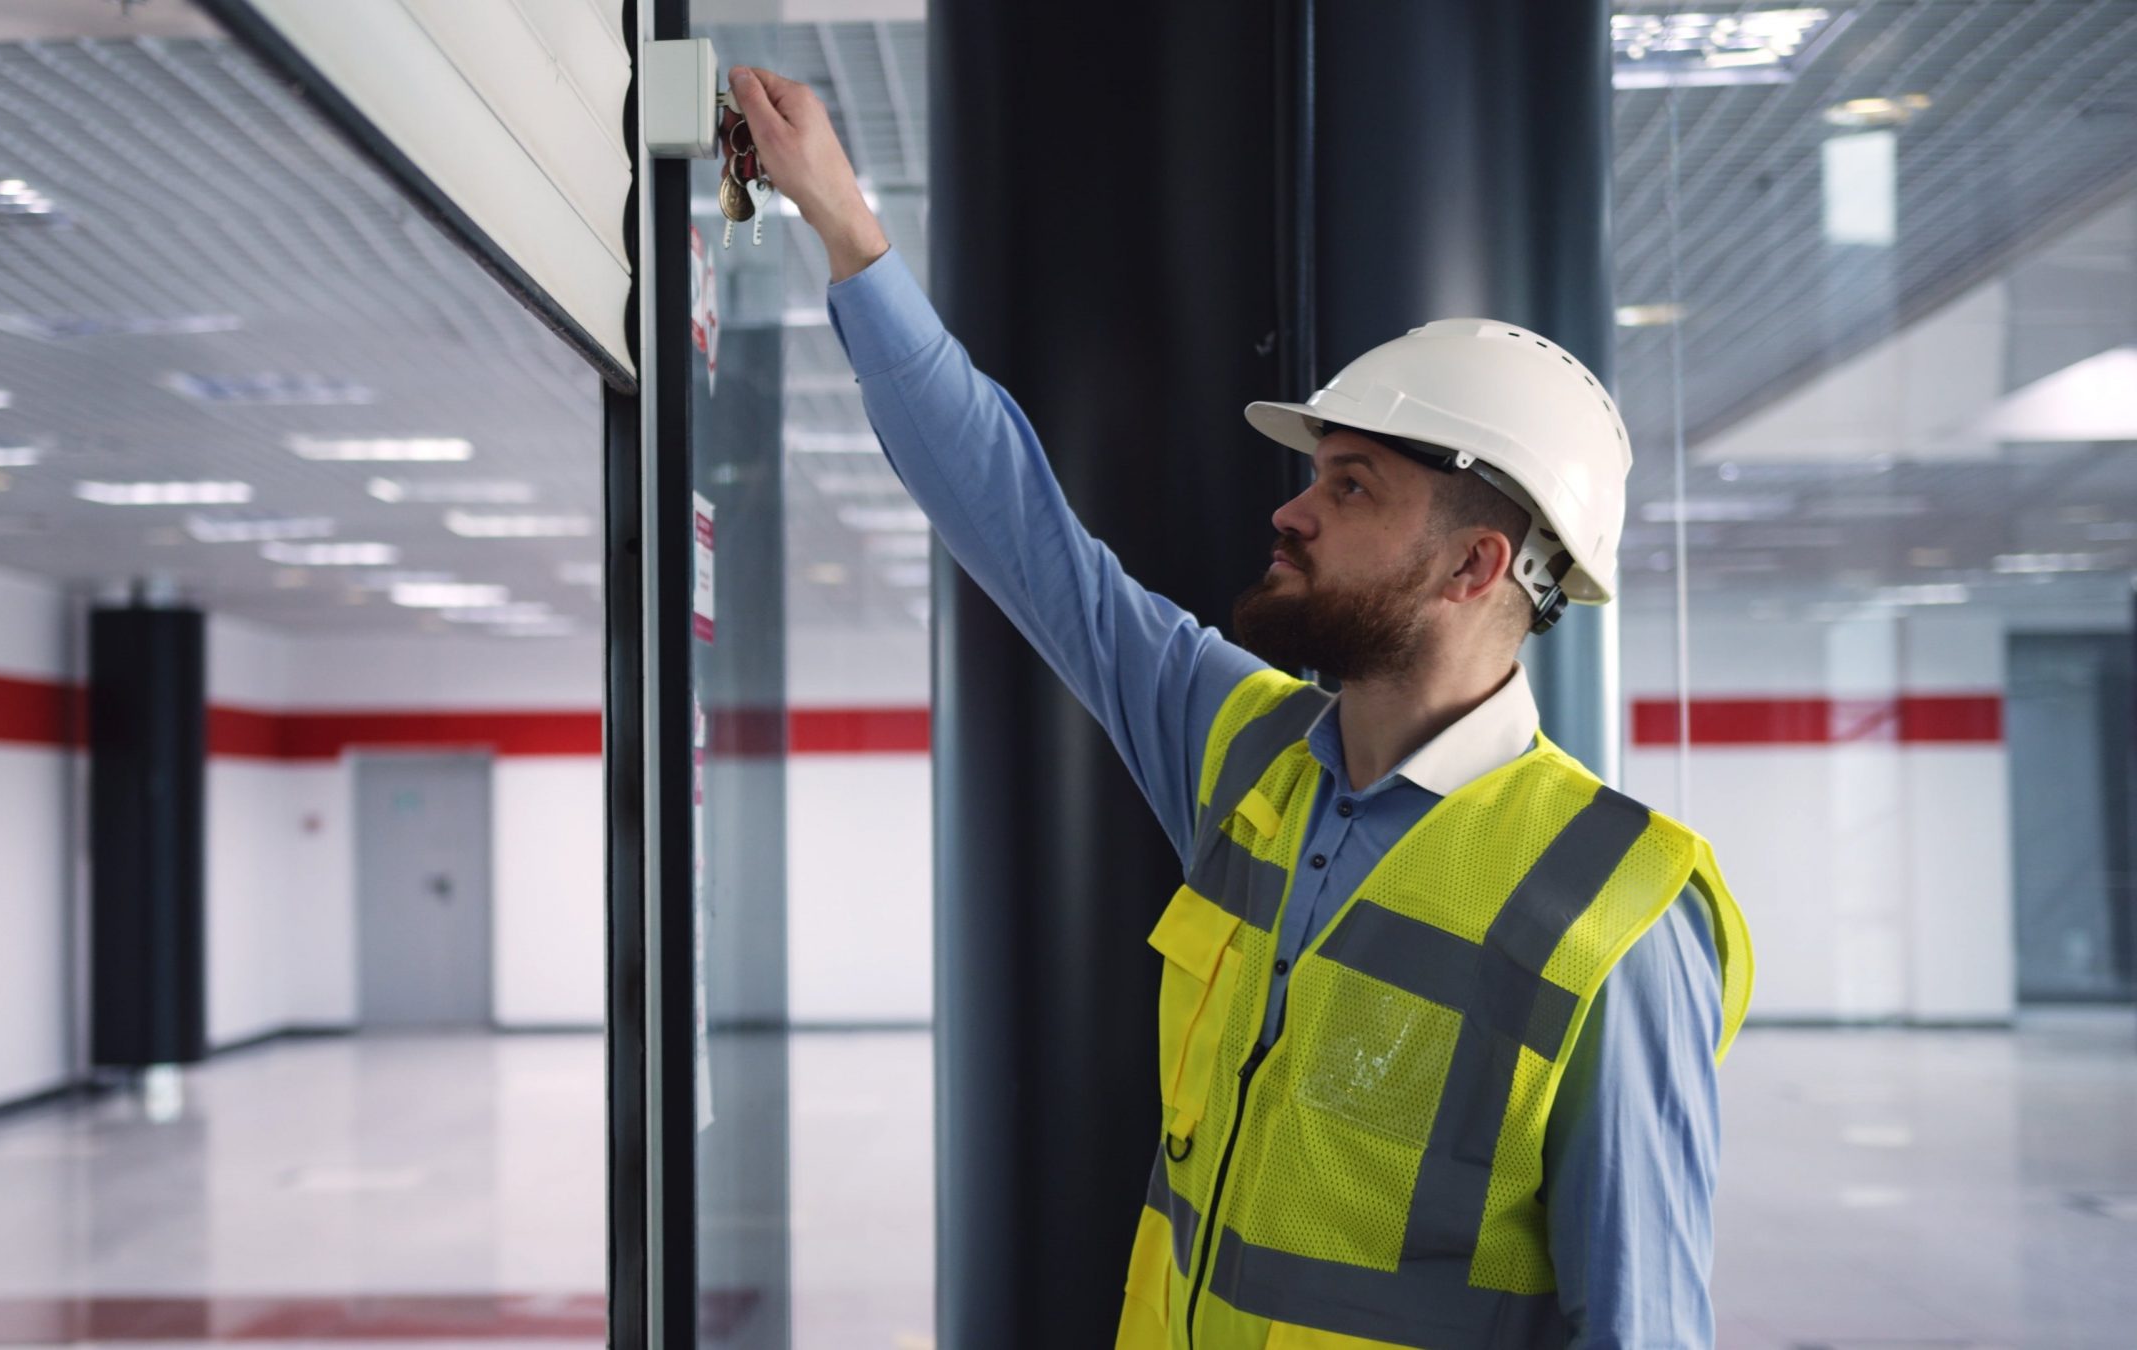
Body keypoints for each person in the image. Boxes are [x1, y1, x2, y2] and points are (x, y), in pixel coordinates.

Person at [724, 66, 1754, 1350]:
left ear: (1473, 566)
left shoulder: (1616, 922)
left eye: (1351, 486)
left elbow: (1642, 1325)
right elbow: (1021, 528)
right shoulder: (1249, 754)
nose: (1291, 509)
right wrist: (845, 226)